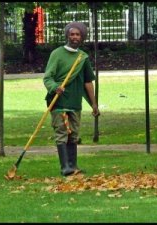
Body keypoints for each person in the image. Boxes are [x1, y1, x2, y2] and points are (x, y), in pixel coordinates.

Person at [43, 22, 100, 176]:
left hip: (75, 102)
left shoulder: (83, 57)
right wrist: (56, 87)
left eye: (78, 34)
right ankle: (65, 167)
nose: (75, 37)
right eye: (72, 34)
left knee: (73, 134)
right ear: (67, 35)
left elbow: (88, 82)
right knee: (61, 132)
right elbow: (48, 78)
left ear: (82, 37)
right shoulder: (56, 54)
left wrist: (94, 104)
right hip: (59, 101)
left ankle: (73, 166)